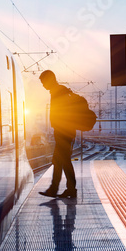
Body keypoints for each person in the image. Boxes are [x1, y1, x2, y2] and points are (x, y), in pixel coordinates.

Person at [39, 70, 79, 199]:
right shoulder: (60, 90)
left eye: (43, 82)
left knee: (63, 160)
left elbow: (62, 113)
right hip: (65, 131)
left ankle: (61, 189)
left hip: (63, 132)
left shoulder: (58, 92)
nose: (43, 85)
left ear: (50, 80)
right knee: (60, 160)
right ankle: (64, 189)